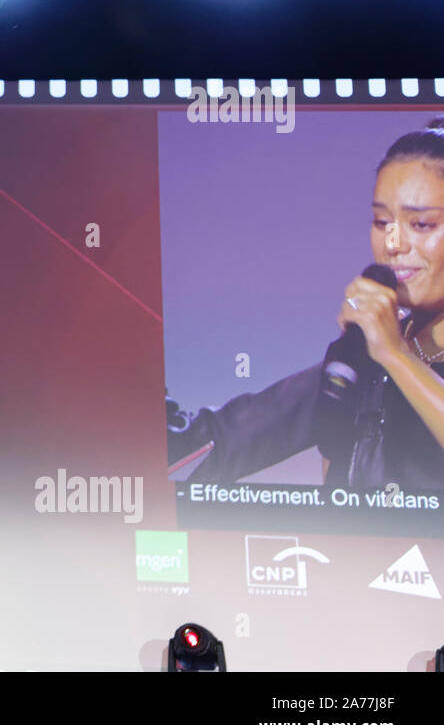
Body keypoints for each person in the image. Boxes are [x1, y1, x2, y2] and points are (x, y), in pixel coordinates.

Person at [170, 125, 444, 491]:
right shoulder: (364, 356)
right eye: (382, 222)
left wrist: (396, 355)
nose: (393, 243)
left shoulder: (389, 351)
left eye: (421, 224)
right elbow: (223, 438)